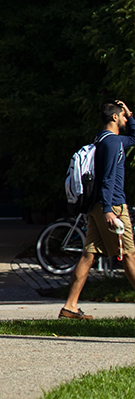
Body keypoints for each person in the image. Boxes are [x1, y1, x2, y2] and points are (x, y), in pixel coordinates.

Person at [59, 100, 135, 320]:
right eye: (121, 116)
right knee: (129, 254)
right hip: (112, 206)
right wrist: (109, 210)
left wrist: (130, 116)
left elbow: (134, 138)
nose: (123, 119)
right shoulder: (112, 144)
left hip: (97, 206)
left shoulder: (104, 140)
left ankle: (70, 307)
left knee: (88, 255)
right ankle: (70, 306)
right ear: (114, 117)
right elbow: (108, 179)